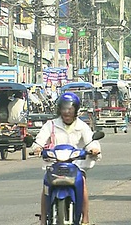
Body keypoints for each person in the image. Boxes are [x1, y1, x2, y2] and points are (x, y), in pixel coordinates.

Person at [32, 92, 101, 225]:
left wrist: (93, 150)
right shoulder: (51, 125)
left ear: (75, 110)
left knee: (83, 185)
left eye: (70, 109)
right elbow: (40, 139)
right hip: (54, 163)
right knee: (46, 185)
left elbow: (90, 141)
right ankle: (43, 219)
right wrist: (37, 148)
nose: (67, 112)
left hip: (76, 164)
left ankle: (85, 219)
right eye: (64, 108)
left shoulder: (82, 126)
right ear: (59, 109)